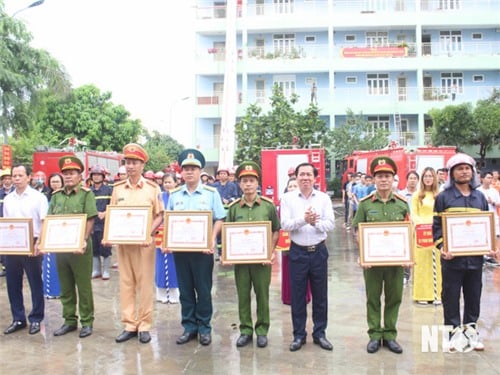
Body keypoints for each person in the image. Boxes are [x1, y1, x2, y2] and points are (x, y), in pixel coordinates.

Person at [432, 153, 499, 351]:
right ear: (452, 173)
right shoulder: (443, 197)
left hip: (475, 260)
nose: (464, 172)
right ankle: (452, 336)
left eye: (467, 168)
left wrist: (491, 246)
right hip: (452, 260)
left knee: (473, 297)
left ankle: (471, 335)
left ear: (473, 172)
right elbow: (436, 227)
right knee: (451, 297)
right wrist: (443, 247)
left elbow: (487, 225)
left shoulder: (480, 197)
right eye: (459, 168)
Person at [165, 148, 226, 346]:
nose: (189, 172)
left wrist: (211, 239)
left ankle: (204, 327)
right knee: (185, 290)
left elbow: (220, 218)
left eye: (193, 168)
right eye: (186, 169)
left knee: (203, 289)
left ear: (200, 171)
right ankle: (189, 327)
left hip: (203, 252)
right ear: (181, 173)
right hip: (181, 252)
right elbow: (169, 220)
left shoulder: (211, 193)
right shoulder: (174, 195)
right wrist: (167, 241)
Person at [352, 156, 410, 354]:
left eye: (387, 176)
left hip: (396, 262)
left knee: (394, 298)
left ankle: (390, 335)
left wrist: (408, 256)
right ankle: (375, 335)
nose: (383, 180)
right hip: (373, 263)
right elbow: (357, 231)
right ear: (374, 179)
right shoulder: (365, 204)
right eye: (379, 176)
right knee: (373, 298)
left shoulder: (402, 204)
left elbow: (408, 232)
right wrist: (364, 254)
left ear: (393, 179)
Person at [110, 143, 164, 344]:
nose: (130, 166)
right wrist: (109, 235)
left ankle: (145, 325)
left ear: (142, 165)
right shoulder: (117, 189)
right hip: (124, 245)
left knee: (145, 284)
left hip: (144, 245)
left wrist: (147, 232)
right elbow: (113, 215)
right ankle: (129, 324)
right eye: (128, 163)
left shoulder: (152, 188)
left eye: (135, 163)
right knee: (126, 283)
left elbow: (160, 215)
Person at [280, 162, 335, 352]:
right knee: (298, 296)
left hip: (318, 251)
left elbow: (331, 224)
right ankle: (299, 335)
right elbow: (285, 224)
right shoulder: (287, 199)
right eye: (301, 174)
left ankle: (320, 333)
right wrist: (304, 219)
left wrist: (315, 222)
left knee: (320, 295)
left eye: (308, 175)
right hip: (297, 252)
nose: (305, 178)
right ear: (296, 177)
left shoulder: (323, 199)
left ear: (315, 178)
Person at [225, 161, 280, 348]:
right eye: (244, 181)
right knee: (243, 295)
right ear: (239, 184)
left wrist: (270, 252)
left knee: (262, 295)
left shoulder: (267, 206)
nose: (248, 184)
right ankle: (246, 330)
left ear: (258, 184)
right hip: (241, 262)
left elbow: (275, 230)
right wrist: (228, 254)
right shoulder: (233, 208)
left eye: (251, 180)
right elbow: (228, 233)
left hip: (261, 261)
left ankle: (262, 330)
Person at [42, 156, 97, 338]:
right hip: (61, 249)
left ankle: (87, 321)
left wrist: (83, 240)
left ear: (79, 176)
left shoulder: (86, 194)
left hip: (80, 248)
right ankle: (69, 320)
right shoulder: (56, 196)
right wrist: (45, 241)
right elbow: (50, 221)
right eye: (65, 173)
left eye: (72, 173)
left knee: (83, 286)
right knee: (65, 286)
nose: (68, 177)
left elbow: (90, 219)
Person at [3, 164, 48, 335]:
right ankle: (18, 318)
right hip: (13, 245)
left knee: (35, 282)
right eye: (14, 175)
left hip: (32, 244)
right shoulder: (8, 199)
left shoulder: (38, 197)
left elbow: (44, 221)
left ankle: (36, 318)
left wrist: (40, 242)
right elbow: (7, 224)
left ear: (29, 177)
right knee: (12, 283)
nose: (16, 178)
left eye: (20, 175)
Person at [411, 167, 441, 304]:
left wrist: (435, 227)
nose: (428, 178)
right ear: (422, 179)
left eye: (430, 176)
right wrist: (422, 225)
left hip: (436, 234)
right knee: (422, 264)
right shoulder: (417, 195)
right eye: (425, 176)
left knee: (438, 264)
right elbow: (414, 214)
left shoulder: (440, 195)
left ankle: (438, 294)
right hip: (421, 234)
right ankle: (422, 295)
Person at [280, 177, 312, 305]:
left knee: (305, 271)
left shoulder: (303, 204)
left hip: (301, 242)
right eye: (290, 186)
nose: (292, 188)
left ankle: (305, 296)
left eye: (294, 186)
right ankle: (288, 296)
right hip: (286, 242)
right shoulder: (282, 203)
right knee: (288, 270)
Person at [154, 172, 179, 304]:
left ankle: (175, 294)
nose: (168, 185)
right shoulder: (159, 197)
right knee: (160, 265)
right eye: (165, 182)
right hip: (161, 233)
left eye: (170, 182)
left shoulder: (179, 196)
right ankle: (161, 293)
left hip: (176, 234)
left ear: (176, 183)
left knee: (174, 264)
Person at [89, 165, 113, 280]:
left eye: (99, 175)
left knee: (106, 248)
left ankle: (106, 270)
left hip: (105, 224)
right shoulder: (88, 191)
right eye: (94, 175)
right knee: (94, 248)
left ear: (103, 176)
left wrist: (105, 213)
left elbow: (113, 205)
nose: (96, 177)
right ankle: (96, 270)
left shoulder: (108, 190)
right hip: (93, 224)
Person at [42, 173, 64, 298]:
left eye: (57, 181)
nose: (55, 184)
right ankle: (49, 291)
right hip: (49, 234)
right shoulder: (45, 197)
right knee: (49, 264)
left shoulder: (65, 197)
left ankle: (61, 291)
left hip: (62, 234)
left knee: (61, 263)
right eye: (53, 181)